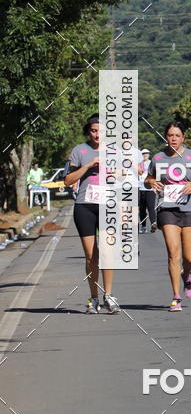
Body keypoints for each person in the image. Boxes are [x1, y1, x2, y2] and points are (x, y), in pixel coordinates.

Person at [145, 122, 191, 311]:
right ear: (165, 137)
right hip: (167, 208)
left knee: (189, 257)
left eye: (177, 135)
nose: (173, 139)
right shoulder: (158, 158)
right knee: (173, 252)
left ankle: (186, 276)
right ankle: (176, 296)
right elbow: (148, 179)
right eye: (170, 135)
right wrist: (151, 183)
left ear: (183, 138)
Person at [64, 114, 120, 314]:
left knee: (107, 252)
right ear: (88, 131)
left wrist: (116, 175)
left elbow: (128, 176)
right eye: (94, 131)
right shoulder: (79, 150)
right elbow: (67, 180)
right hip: (85, 206)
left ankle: (109, 296)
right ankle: (94, 297)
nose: (97, 135)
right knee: (91, 256)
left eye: (101, 131)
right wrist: (87, 166)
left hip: (108, 205)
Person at [138, 148, 157, 232]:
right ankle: (143, 226)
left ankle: (153, 223)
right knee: (142, 209)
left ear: (149, 154)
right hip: (140, 188)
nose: (145, 155)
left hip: (150, 189)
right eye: (143, 153)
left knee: (151, 207)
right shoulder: (138, 164)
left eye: (146, 153)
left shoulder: (151, 163)